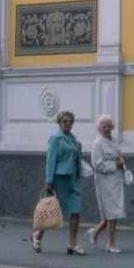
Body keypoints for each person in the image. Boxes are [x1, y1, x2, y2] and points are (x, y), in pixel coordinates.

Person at [32, 109, 86, 255]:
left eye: (70, 121)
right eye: (64, 121)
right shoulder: (55, 138)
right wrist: (49, 181)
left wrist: (79, 149)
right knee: (50, 210)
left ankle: (72, 243)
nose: (68, 124)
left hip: (72, 179)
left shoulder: (74, 139)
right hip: (58, 180)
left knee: (76, 210)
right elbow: (51, 160)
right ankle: (38, 234)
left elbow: (75, 158)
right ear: (59, 122)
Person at [86, 114, 126, 253]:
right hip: (105, 182)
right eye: (104, 126)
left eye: (109, 126)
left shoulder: (115, 141)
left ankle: (95, 232)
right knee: (112, 213)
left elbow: (119, 157)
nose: (107, 129)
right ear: (99, 128)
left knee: (110, 213)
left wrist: (122, 167)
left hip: (116, 180)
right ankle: (110, 243)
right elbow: (97, 164)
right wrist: (115, 164)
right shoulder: (97, 144)